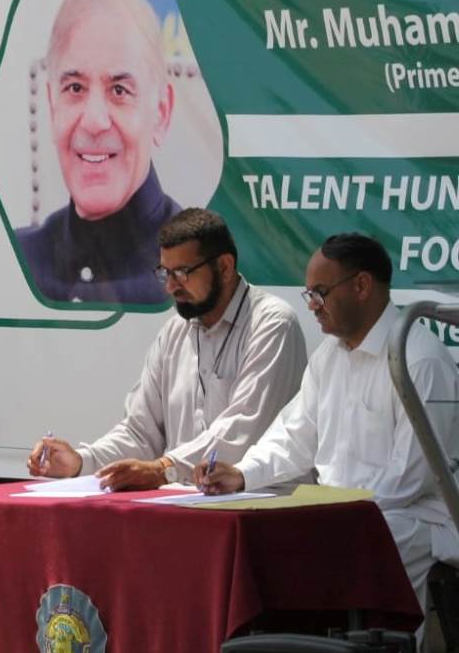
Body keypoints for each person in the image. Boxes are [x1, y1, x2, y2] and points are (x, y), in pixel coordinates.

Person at [196, 234, 459, 636]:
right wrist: (243, 474)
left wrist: (331, 515)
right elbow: (294, 435)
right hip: (343, 513)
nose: (313, 307)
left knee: (364, 538)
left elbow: (409, 479)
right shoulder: (327, 358)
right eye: (309, 295)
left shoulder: (420, 360)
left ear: (362, 285)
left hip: (414, 518)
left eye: (319, 293)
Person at [27, 208, 307, 489]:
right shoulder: (174, 333)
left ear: (224, 266)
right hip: (189, 506)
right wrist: (81, 462)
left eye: (182, 273)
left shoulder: (272, 323)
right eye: (165, 273)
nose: (171, 286)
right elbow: (140, 432)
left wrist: (164, 469)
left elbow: (242, 430)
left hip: (268, 508)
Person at [16, 0, 181, 304]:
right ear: (52, 106)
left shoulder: (195, 262)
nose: (93, 122)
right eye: (74, 88)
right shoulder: (17, 259)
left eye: (119, 90)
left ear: (161, 113)